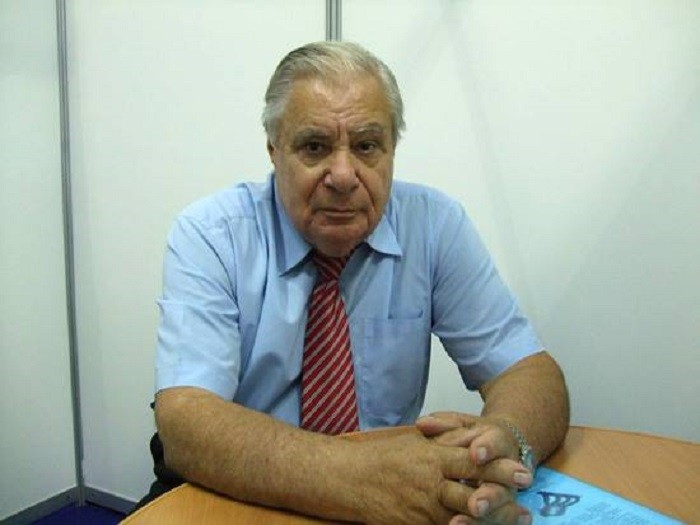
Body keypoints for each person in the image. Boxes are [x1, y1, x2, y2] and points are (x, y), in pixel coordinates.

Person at [148, 41, 569, 524]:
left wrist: (503, 442)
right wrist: (359, 477)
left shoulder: (434, 225)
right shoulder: (212, 234)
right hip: (243, 494)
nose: (344, 176)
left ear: (391, 150)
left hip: (390, 501)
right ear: (273, 150)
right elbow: (185, 421)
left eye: (367, 146)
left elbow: (529, 372)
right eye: (314, 147)